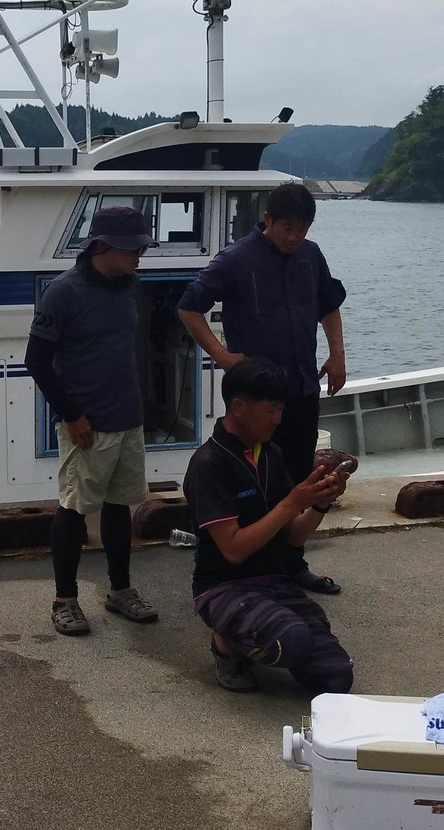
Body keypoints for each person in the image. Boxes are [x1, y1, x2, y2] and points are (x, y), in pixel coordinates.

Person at [177, 180, 347, 597]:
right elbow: (189, 306)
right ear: (267, 220)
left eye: (302, 229)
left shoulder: (311, 256)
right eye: (287, 227)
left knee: (297, 476)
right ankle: (248, 565)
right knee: (257, 482)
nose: (295, 237)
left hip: (301, 389)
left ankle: (292, 564)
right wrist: (222, 356)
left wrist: (337, 354)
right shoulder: (236, 259)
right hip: (256, 401)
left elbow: (329, 305)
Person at [25, 204, 159, 636]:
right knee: (74, 508)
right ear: (102, 246)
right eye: (132, 248)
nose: (139, 255)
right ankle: (64, 600)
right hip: (86, 423)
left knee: (120, 505)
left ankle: (120, 590)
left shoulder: (130, 286)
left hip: (128, 418)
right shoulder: (63, 292)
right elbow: (37, 361)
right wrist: (71, 414)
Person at [183, 358, 353, 694]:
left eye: (281, 409)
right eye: (271, 410)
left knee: (336, 678)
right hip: (223, 587)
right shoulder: (209, 464)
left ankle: (268, 633)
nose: (278, 419)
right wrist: (291, 502)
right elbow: (233, 550)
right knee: (292, 640)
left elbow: (293, 537)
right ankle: (225, 644)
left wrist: (319, 502)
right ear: (238, 407)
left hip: (275, 582)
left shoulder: (271, 454)